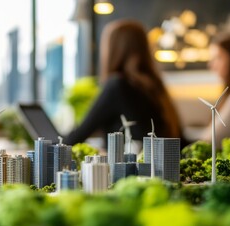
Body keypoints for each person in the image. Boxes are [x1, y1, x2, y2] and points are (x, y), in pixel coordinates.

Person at [64, 20, 183, 148]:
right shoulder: (154, 84)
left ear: (113, 50)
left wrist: (46, 146)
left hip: (133, 165)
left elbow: (78, 135)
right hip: (163, 163)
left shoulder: (118, 85)